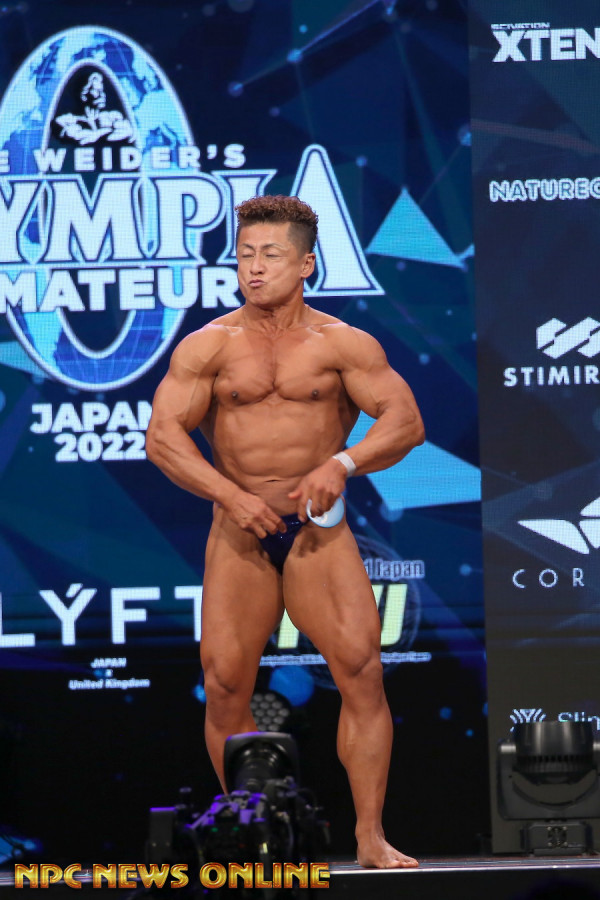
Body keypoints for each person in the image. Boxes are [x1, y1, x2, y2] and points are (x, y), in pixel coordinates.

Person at [146, 194, 425, 868]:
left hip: (316, 532)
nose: (255, 267)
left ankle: (369, 836)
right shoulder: (208, 346)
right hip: (238, 532)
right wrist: (230, 495)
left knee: (361, 672)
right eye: (245, 254)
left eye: (271, 255)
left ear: (306, 264)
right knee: (224, 684)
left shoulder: (342, 344)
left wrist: (342, 462)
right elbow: (162, 438)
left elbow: (406, 422)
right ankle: (247, 833)